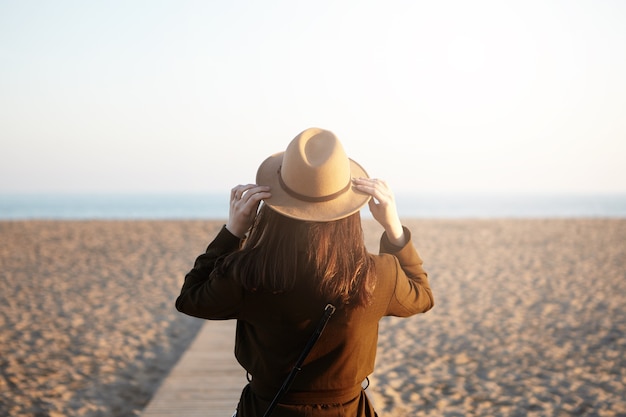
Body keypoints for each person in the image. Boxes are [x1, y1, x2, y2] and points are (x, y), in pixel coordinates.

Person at [176, 127, 434, 417]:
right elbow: (422, 295)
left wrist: (232, 231)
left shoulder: (246, 272)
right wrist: (394, 228)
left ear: (274, 206)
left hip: (267, 409)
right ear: (349, 209)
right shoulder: (378, 275)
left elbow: (190, 298)